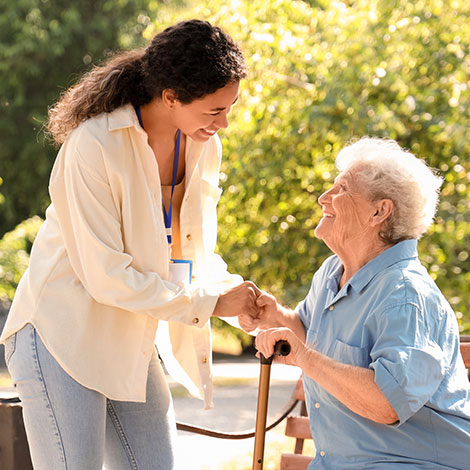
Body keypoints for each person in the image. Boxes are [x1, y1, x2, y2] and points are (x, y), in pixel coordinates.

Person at [0, 19, 259, 470]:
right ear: (171, 96)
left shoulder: (203, 145)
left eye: (230, 106)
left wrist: (241, 298)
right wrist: (212, 303)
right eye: (214, 111)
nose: (224, 122)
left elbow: (192, 247)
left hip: (130, 338)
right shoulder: (93, 146)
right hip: (62, 334)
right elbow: (106, 276)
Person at [242, 137, 470, 469]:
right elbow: (311, 339)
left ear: (380, 211)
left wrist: (304, 357)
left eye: (341, 189)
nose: (323, 198)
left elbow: (387, 404)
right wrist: (277, 317)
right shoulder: (333, 272)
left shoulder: (405, 295)